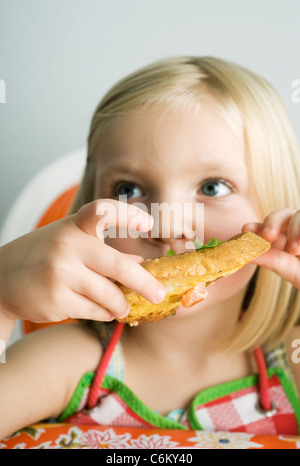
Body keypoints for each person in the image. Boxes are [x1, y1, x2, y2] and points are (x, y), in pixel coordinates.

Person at [0, 56, 300, 439]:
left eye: (213, 187)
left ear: (275, 207)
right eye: (129, 190)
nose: (168, 224)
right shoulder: (67, 363)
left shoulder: (292, 362)